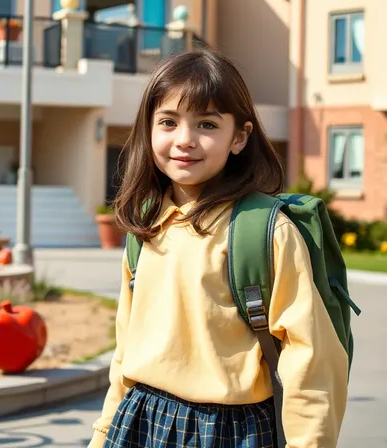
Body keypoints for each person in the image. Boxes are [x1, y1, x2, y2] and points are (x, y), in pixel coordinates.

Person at [88, 49, 348, 448]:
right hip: (141, 419)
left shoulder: (265, 231)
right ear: (149, 129)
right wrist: (105, 433)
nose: (184, 140)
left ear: (239, 137)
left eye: (206, 124)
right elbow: (125, 350)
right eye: (168, 122)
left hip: (230, 430)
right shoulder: (146, 227)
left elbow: (310, 360)